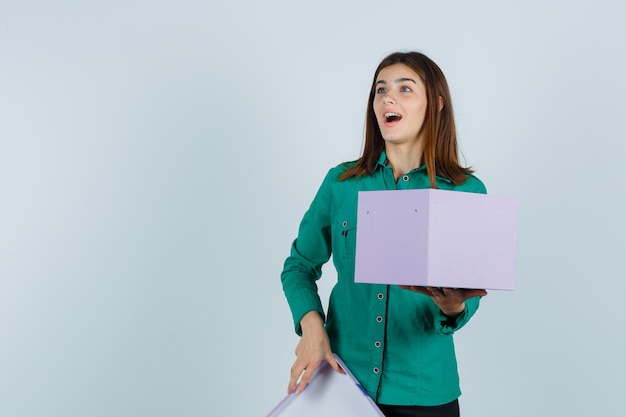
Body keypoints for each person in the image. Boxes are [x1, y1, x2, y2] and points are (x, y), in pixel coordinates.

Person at [280, 51, 488, 417]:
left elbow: (468, 297)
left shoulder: (466, 192)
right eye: (381, 90)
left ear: (436, 104)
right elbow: (298, 266)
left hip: (425, 394)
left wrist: (454, 306)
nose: (388, 98)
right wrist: (312, 325)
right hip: (344, 386)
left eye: (405, 88)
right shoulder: (341, 184)